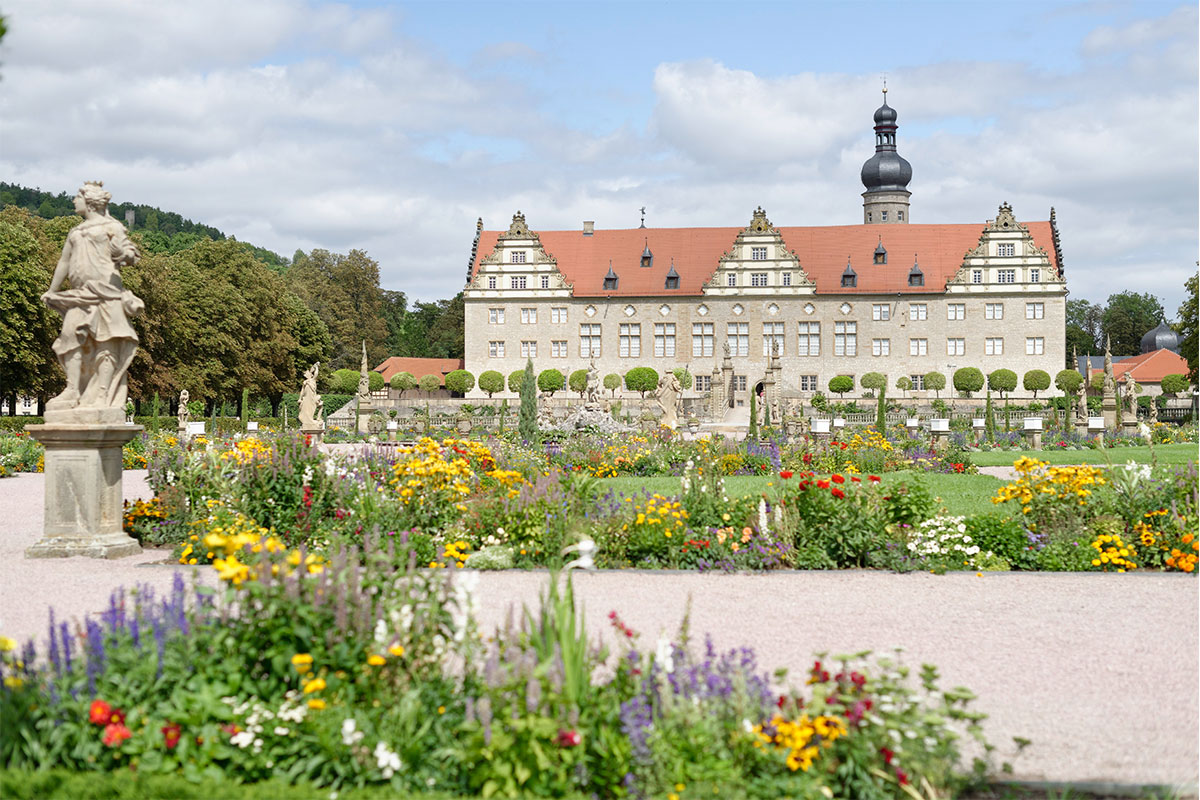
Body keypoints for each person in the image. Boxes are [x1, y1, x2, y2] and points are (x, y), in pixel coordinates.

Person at [43, 182, 143, 414]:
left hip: (107, 292)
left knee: (106, 344)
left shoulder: (112, 226)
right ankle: (72, 390)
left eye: (77, 196)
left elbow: (130, 253)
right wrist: (53, 290)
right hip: (79, 295)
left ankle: (102, 393)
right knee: (69, 338)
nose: (73, 201)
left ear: (89, 201)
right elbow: (64, 262)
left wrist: (125, 255)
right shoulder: (75, 231)